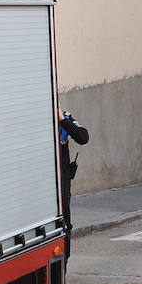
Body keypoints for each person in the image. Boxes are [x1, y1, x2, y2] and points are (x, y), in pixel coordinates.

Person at [58, 110, 90, 264]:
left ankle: (63, 267)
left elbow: (83, 137)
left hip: (62, 182)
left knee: (65, 224)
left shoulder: (65, 117)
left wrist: (63, 120)